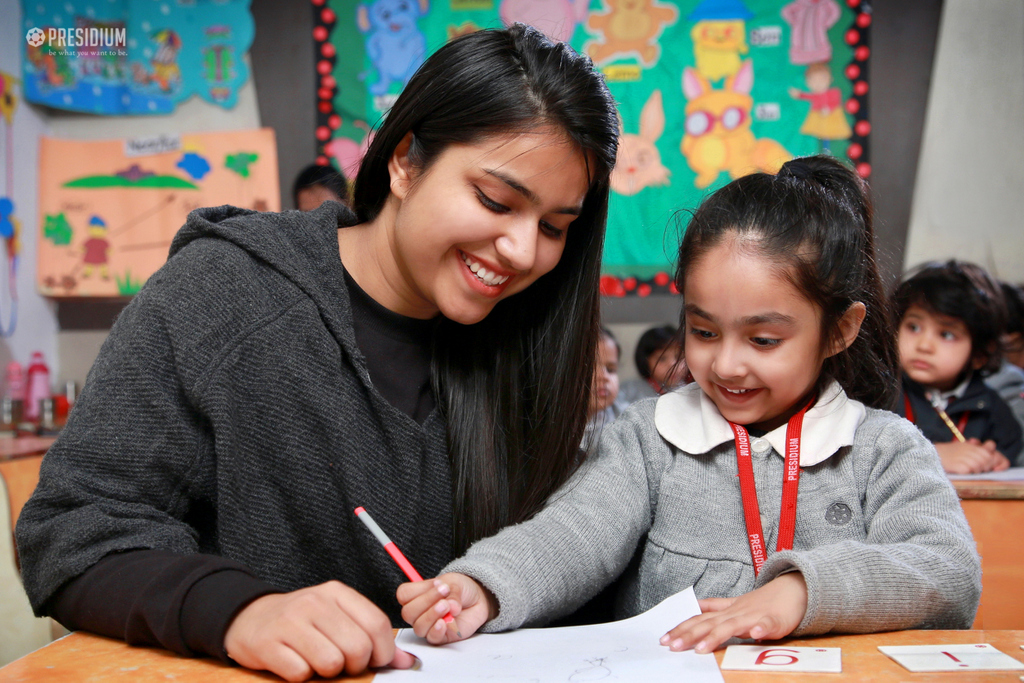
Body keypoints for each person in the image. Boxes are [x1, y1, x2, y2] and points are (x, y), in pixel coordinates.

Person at [15, 24, 618, 681]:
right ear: (405, 162)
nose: (524, 252)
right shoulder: (226, 294)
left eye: (555, 227)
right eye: (496, 201)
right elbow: (70, 533)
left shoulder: (527, 340)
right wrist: (242, 612)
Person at [397, 156, 981, 654]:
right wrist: (487, 586)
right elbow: (574, 533)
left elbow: (948, 570)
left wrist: (801, 592)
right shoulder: (649, 437)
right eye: (703, 332)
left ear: (839, 330)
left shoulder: (884, 448)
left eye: (763, 340)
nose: (726, 365)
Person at [893, 261, 1023, 472]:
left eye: (946, 334)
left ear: (980, 354)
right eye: (913, 327)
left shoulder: (993, 410)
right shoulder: (877, 393)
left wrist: (995, 461)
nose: (924, 345)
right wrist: (933, 455)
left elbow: (1011, 455)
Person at [617, 324, 687, 405]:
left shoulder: (690, 392)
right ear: (645, 361)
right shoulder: (630, 390)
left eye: (679, 357)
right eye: (662, 359)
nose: (673, 364)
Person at [582, 327, 624, 454]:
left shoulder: (623, 420)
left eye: (611, 370)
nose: (604, 377)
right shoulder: (552, 427)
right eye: (590, 369)